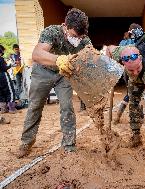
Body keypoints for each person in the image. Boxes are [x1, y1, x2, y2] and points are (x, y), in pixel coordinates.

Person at [17, 8, 92, 158]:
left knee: (67, 107)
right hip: (43, 72)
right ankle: (26, 142)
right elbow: (37, 54)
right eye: (74, 36)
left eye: (81, 36)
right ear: (64, 26)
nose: (77, 39)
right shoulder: (52, 32)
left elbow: (90, 58)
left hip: (63, 75)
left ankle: (69, 145)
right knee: (35, 106)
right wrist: (58, 59)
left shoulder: (84, 40)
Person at [0, 44, 17, 114]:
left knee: (0, 93)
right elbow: (4, 68)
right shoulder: (0, 58)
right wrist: (11, 65)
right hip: (3, 75)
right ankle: (12, 108)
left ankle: (3, 109)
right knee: (10, 91)